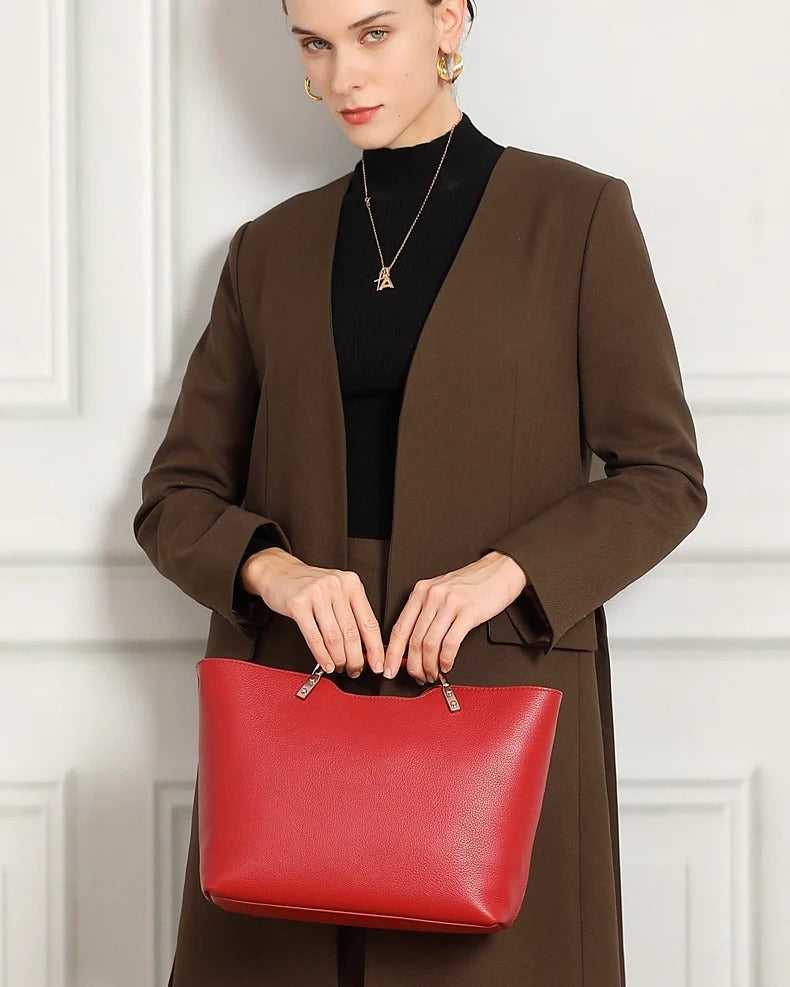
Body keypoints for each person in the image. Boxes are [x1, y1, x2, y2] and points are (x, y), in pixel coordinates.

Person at [132, 1, 708, 984]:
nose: (340, 77)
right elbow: (176, 496)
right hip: (297, 709)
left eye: (373, 33)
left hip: (491, 696)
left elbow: (663, 475)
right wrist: (275, 573)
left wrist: (509, 571)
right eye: (313, 44)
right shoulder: (268, 248)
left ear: (448, 22)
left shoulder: (575, 218)